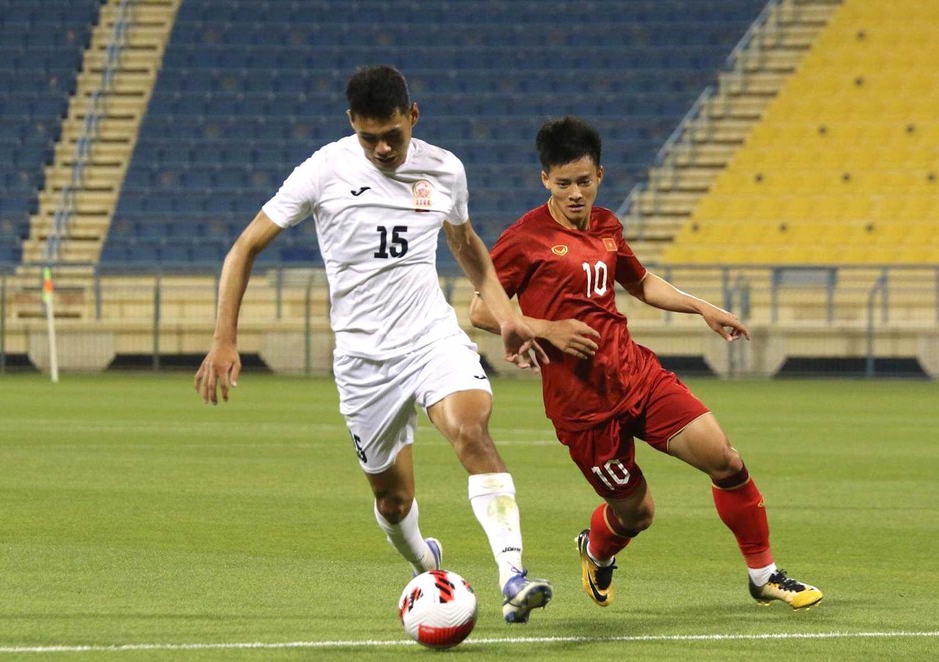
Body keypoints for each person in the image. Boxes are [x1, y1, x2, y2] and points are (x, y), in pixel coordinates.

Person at [194, 65, 552, 624]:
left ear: (413, 117)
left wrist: (506, 314)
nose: (383, 148)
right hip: (363, 362)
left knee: (471, 429)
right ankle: (424, 562)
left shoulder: (445, 169)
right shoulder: (324, 170)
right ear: (351, 126)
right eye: (369, 137)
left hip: (431, 337)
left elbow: (465, 242)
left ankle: (514, 574)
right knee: (393, 500)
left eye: (393, 134)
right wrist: (224, 339)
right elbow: (244, 247)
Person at [469, 115, 823, 611]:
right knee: (637, 513)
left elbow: (640, 282)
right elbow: (482, 308)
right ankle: (595, 549)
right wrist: (548, 329)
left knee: (725, 459)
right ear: (545, 178)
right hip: (583, 408)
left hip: (637, 375)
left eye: (585, 182)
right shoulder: (525, 238)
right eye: (564, 183)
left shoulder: (608, 225)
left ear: (600, 176)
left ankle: (763, 574)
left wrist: (701, 306)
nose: (576, 193)